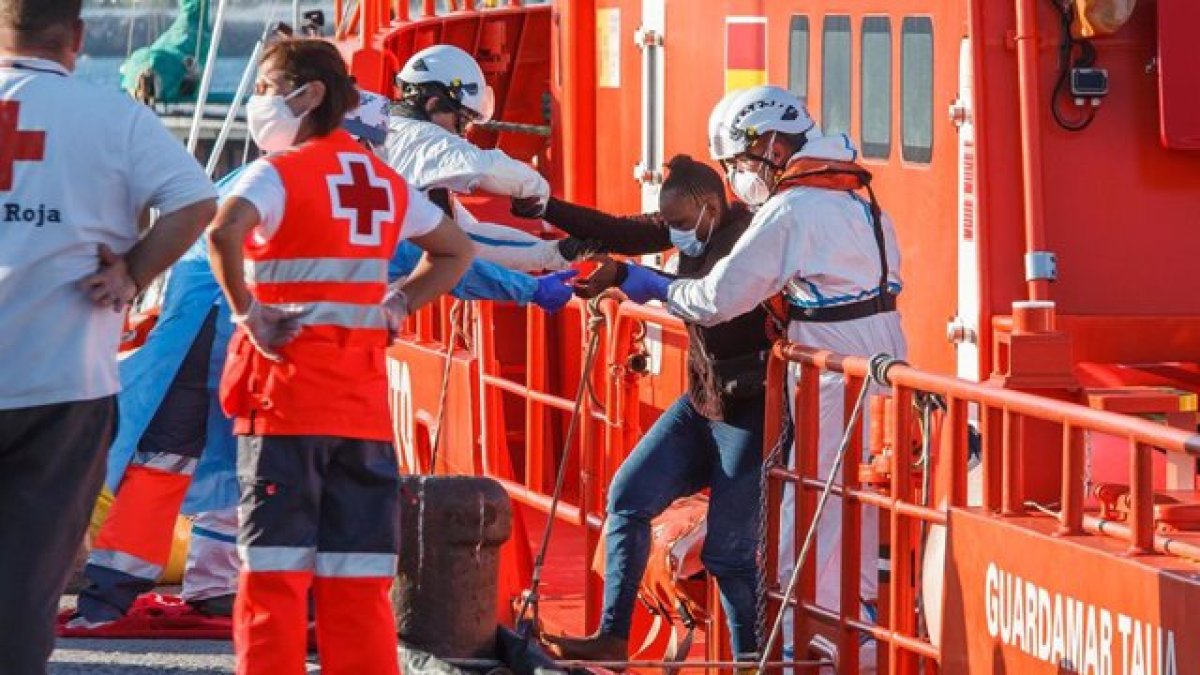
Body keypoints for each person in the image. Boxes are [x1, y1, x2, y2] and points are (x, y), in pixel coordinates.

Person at [612, 85, 907, 669]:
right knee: (858, 508)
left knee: (804, 519)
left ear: (770, 145)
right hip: (882, 361)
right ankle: (854, 632)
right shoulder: (861, 201)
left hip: (827, 370)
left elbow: (718, 299)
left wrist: (652, 285)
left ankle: (806, 650)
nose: (739, 178)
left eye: (740, 165)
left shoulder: (792, 209)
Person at [206, 39, 472, 674]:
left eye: (270, 86)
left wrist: (248, 311)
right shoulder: (380, 181)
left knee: (274, 581)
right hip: (363, 416)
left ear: (311, 93)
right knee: (358, 586)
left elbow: (222, 232)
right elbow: (456, 250)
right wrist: (399, 304)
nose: (260, 101)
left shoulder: (277, 172)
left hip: (286, 406)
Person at [0, 0, 217, 671]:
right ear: (78, 38)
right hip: (64, 383)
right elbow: (196, 200)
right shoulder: (115, 118)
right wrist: (132, 272)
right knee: (27, 580)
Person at [522, 155, 769, 662]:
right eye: (669, 223)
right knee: (627, 495)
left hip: (749, 409)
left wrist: (632, 277)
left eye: (680, 223)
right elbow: (620, 231)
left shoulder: (748, 239)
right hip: (704, 402)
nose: (674, 233)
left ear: (709, 205)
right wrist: (547, 208)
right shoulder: (693, 224)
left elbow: (711, 299)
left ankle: (751, 664)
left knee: (728, 554)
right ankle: (614, 636)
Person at [387, 43, 592, 273]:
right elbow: (484, 168)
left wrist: (554, 253)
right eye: (461, 120)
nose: (462, 133)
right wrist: (535, 188)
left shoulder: (380, 126)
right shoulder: (424, 140)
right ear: (433, 103)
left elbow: (468, 234)